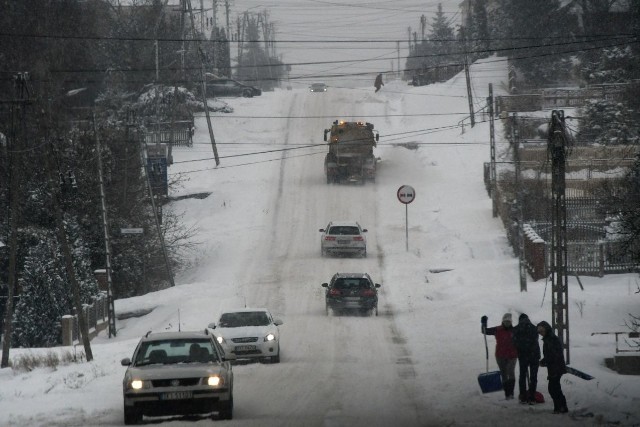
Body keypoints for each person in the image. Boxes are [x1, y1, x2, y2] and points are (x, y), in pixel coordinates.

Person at [481, 313, 518, 399]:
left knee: (511, 372)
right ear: (503, 321)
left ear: (511, 322)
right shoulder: (497, 329)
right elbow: (484, 331)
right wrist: (483, 323)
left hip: (512, 355)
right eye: (506, 321)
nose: (507, 323)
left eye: (509, 321)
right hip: (500, 355)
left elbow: (524, 331)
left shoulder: (515, 330)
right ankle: (507, 394)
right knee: (504, 374)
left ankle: (511, 393)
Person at [537, 321, 568, 414]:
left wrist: (544, 361)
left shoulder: (551, 339)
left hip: (556, 367)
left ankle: (560, 407)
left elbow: (552, 355)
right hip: (555, 367)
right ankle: (560, 407)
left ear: (546, 329)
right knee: (554, 388)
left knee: (553, 388)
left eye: (542, 330)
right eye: (539, 331)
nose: (541, 333)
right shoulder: (549, 338)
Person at [512, 313, 540, 404]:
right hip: (534, 355)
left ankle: (523, 396)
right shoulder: (534, 328)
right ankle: (532, 396)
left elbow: (514, 342)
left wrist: (521, 348)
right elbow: (535, 340)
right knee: (533, 376)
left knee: (522, 375)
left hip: (523, 355)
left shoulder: (516, 329)